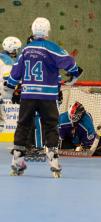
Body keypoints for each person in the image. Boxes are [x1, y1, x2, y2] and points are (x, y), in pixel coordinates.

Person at [6, 17, 82, 177]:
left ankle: (17, 165)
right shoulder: (52, 48)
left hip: (28, 96)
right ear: (47, 31)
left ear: (32, 31)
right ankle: (54, 165)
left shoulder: (26, 50)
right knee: (51, 127)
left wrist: (11, 87)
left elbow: (15, 74)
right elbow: (70, 63)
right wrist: (75, 73)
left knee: (23, 126)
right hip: (47, 97)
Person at [0, 36, 22, 131]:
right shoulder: (8, 61)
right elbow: (7, 79)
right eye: (16, 49)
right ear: (12, 49)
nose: (17, 51)